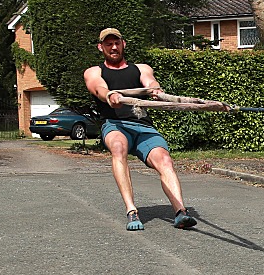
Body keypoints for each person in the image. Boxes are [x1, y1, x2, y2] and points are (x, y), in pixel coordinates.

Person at [83, 27, 196, 231]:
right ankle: (132, 211)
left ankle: (181, 212)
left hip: (143, 126)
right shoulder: (94, 72)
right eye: (108, 44)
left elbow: (150, 81)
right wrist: (110, 95)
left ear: (123, 44)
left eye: (117, 43)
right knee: (118, 147)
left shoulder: (141, 68)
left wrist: (155, 89)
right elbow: (98, 87)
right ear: (101, 47)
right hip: (115, 125)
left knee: (165, 160)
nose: (114, 47)